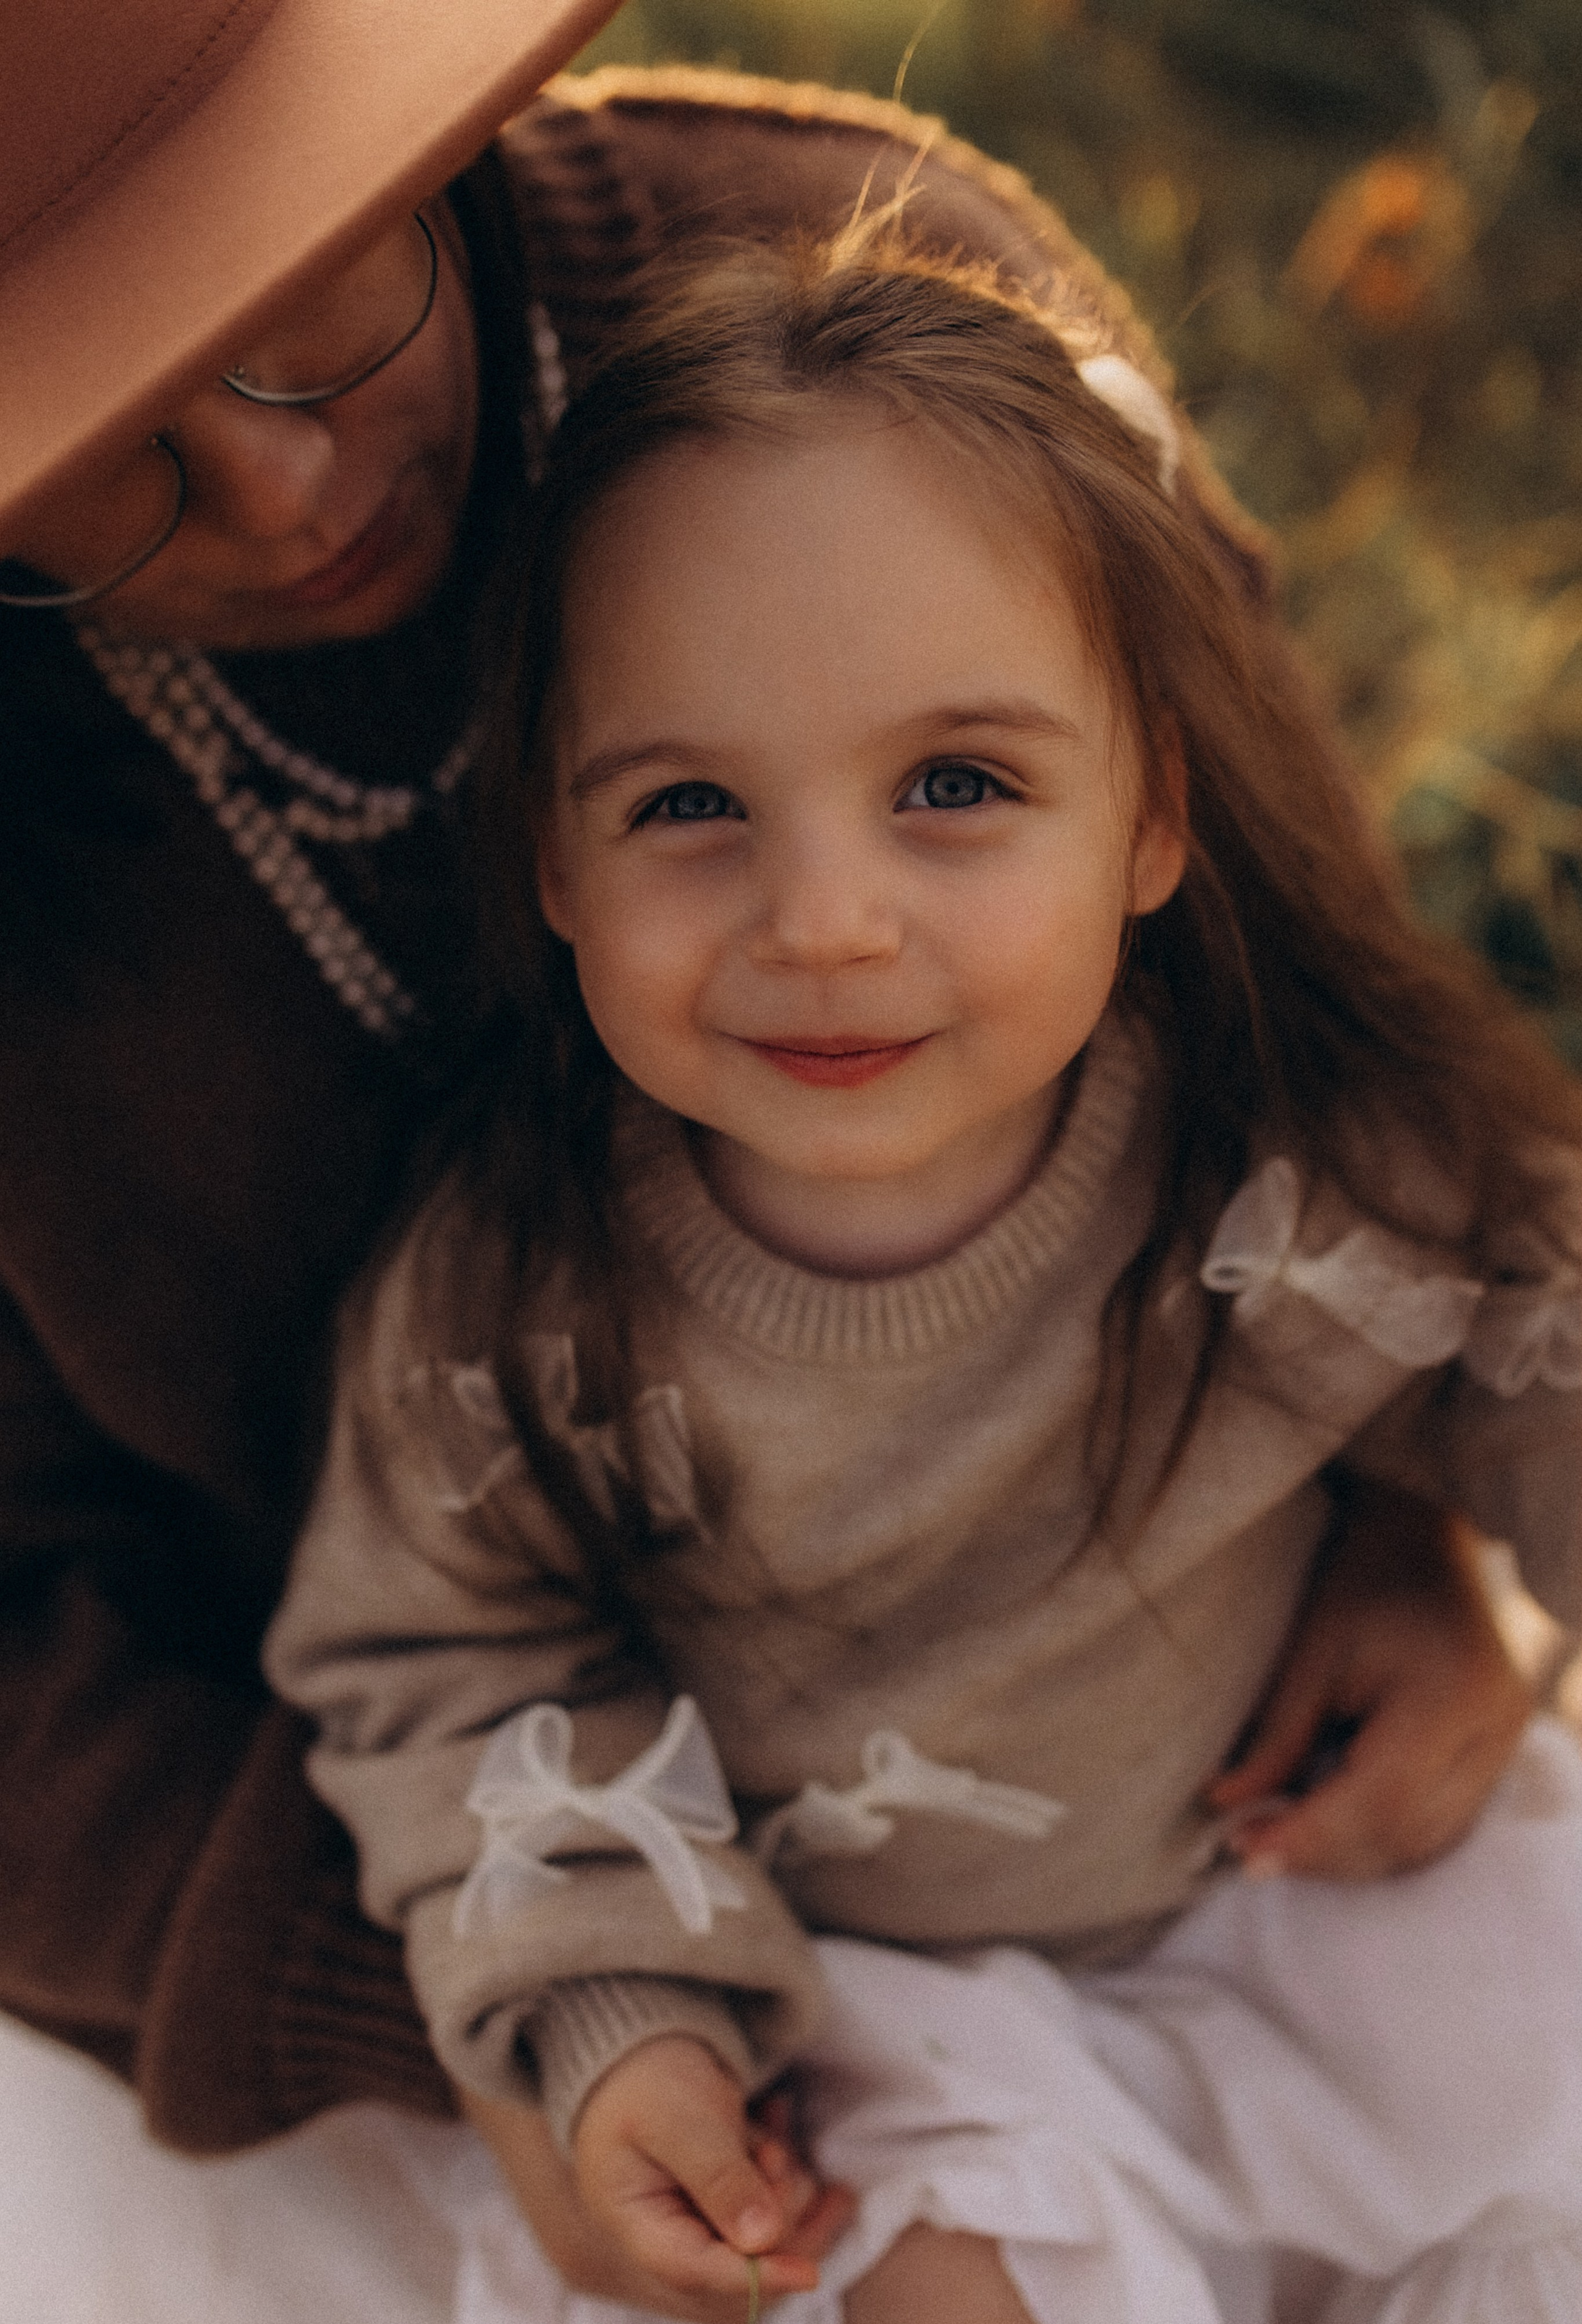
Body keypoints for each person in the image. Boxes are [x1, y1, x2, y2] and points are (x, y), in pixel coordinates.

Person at [12, 0, 1442, 2170]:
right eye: (107, 443)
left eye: (298, 322)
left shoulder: (871, 311)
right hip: (414, 1902)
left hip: (1222, 1725)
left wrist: (1415, 1519)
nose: (288, 485)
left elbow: (1317, 1008)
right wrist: (509, 2014)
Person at [265, 231, 1582, 2324]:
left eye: (956, 786)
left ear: (1150, 810)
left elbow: (1547, 1342)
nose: (829, 919)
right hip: (885, 2002)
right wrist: (612, 2019)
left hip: (1321, 1883)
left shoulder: (1288, 1147)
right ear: (553, 867)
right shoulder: (513, 1318)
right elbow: (441, 1678)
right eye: (688, 805)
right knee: (951, 2308)